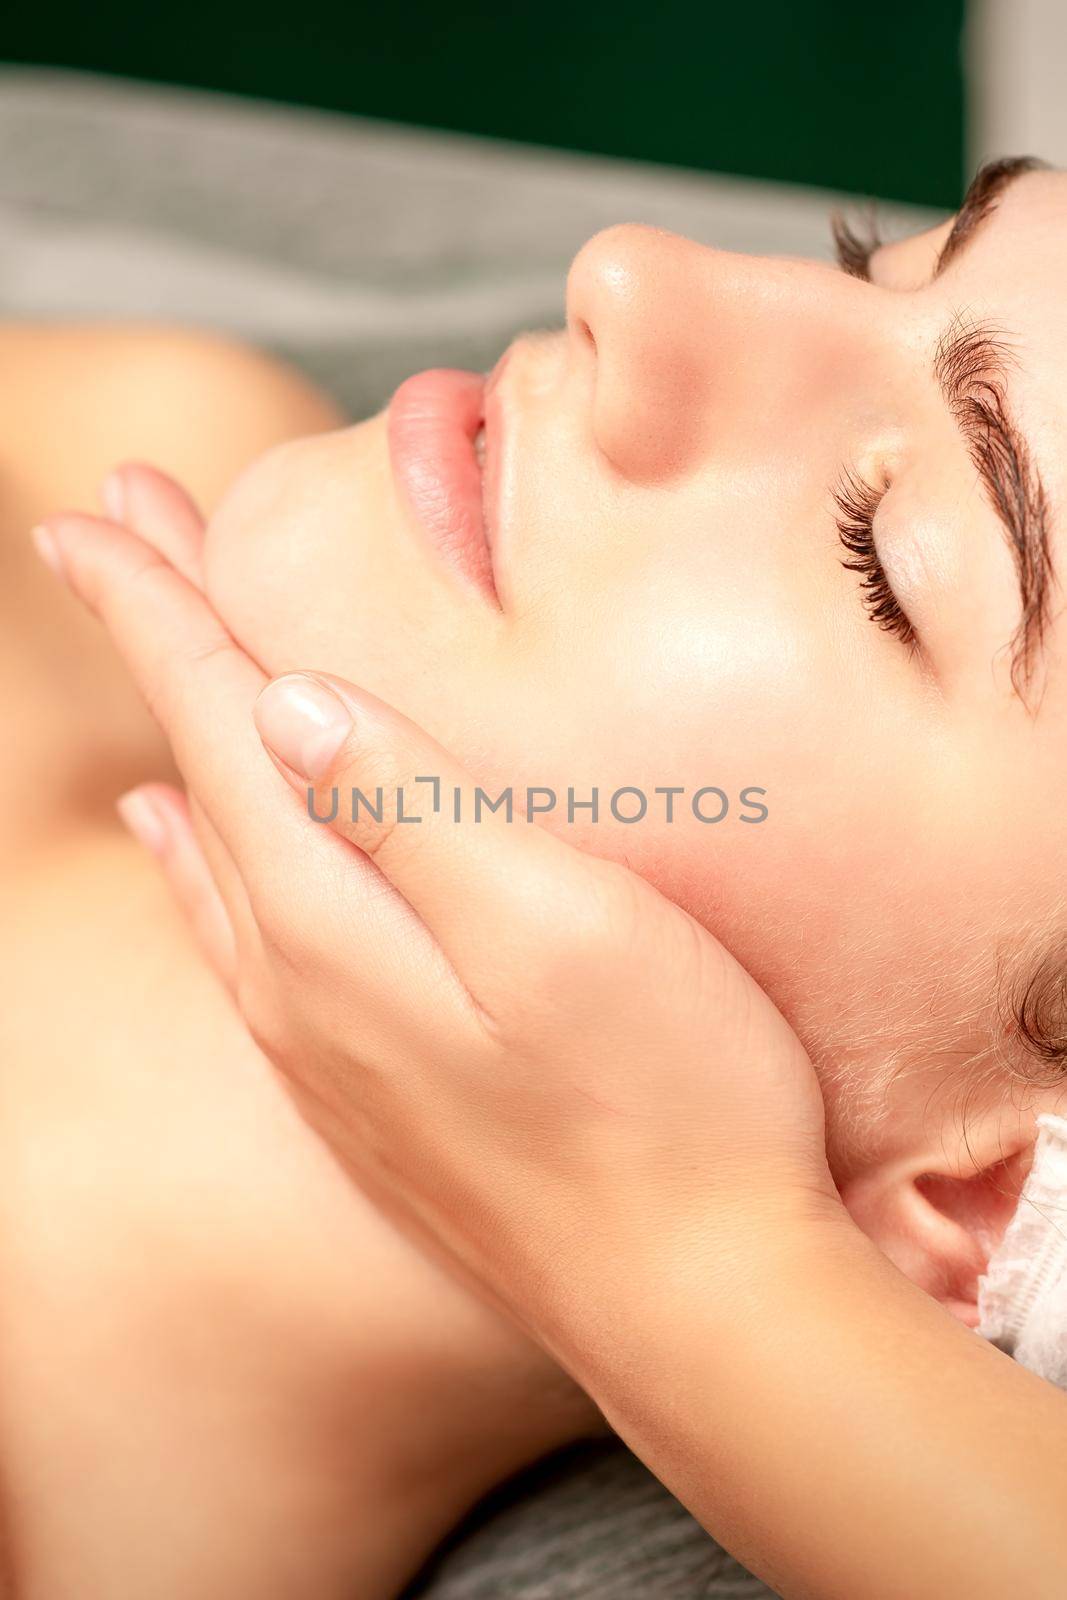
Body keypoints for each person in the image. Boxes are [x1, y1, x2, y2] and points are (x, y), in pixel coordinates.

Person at [8, 151, 1067, 1591]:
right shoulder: (140, 429)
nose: (632, 274)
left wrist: (712, 1256)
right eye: (863, 256)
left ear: (981, 1213)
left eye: (875, 547)